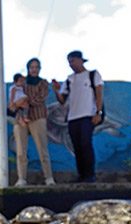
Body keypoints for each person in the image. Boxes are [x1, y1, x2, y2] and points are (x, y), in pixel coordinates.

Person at [51, 50, 104, 183]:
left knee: (86, 143)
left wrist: (98, 112)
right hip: (72, 117)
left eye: (73, 60)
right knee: (77, 146)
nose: (71, 64)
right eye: (69, 62)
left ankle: (90, 175)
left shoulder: (93, 75)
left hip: (87, 115)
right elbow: (62, 100)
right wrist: (56, 90)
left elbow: (99, 93)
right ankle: (81, 175)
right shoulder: (70, 79)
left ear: (80, 60)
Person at [10, 58, 54, 186]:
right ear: (28, 69)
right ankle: (22, 178)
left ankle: (49, 177)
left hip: (37, 116)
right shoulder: (21, 83)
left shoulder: (43, 83)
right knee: (20, 150)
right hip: (20, 119)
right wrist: (17, 104)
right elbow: (12, 101)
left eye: (37, 67)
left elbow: (40, 98)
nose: (34, 69)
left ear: (40, 69)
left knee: (42, 149)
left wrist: (24, 101)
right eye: (32, 67)